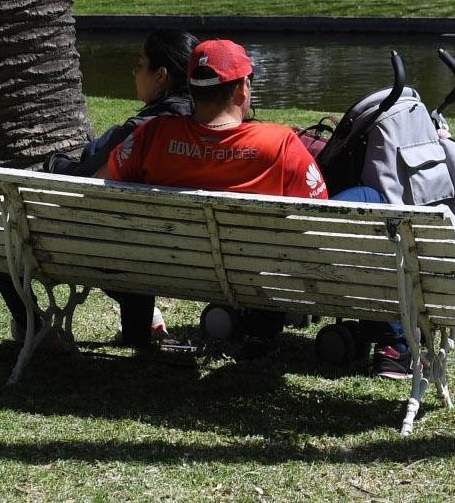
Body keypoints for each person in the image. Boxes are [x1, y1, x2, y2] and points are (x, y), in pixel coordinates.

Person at [90, 39, 327, 356]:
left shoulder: (153, 136)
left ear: (191, 89)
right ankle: (259, 330)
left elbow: (96, 190)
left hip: (162, 268)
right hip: (253, 271)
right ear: (242, 89)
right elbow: (319, 217)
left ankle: (138, 329)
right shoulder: (280, 144)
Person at [46, 30, 197, 177]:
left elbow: (85, 177)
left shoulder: (140, 133)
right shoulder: (207, 129)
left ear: (160, 76)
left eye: (139, 65)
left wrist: (54, 162)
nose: (134, 72)